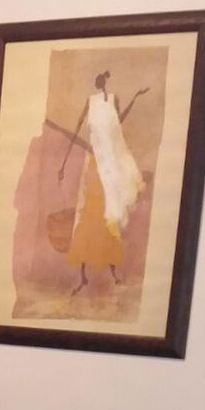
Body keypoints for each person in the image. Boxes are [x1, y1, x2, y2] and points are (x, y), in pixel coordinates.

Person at [56, 71, 148, 295]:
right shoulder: (90, 102)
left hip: (108, 164)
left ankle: (113, 274)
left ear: (103, 82)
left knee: (109, 217)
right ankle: (83, 277)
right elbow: (77, 129)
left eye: (100, 81)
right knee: (88, 215)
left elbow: (119, 122)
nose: (99, 84)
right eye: (98, 81)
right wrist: (63, 163)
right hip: (94, 163)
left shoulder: (114, 100)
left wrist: (135, 98)